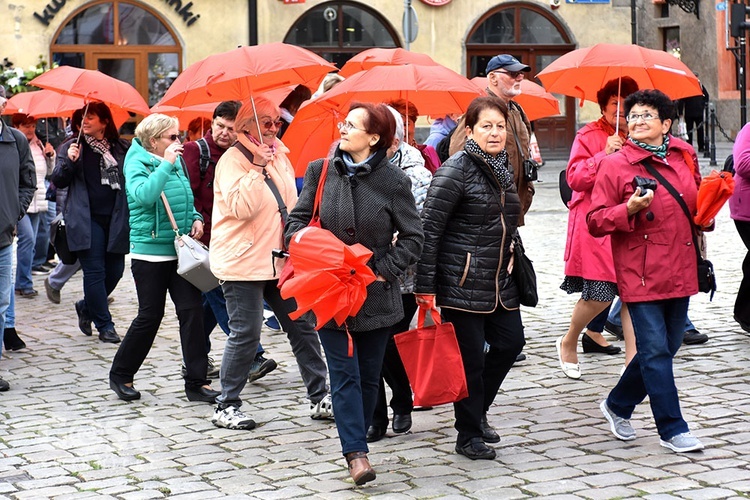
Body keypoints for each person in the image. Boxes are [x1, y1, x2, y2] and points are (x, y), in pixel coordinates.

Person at [285, 102, 423, 485]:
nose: (342, 130)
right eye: (343, 123)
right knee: (343, 374)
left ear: (374, 137)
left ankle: (357, 438)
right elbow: (295, 221)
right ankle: (356, 455)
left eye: (352, 126)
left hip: (375, 296)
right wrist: (307, 245)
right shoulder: (320, 170)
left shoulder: (393, 181)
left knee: (367, 376)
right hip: (327, 292)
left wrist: (381, 271)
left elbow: (414, 238)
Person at [588, 89, 705, 453]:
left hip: (681, 266)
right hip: (640, 271)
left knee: (667, 347)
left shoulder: (684, 155)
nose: (637, 121)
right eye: (633, 116)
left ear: (666, 123)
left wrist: (708, 211)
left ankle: (617, 404)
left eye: (646, 116)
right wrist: (629, 209)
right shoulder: (616, 164)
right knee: (654, 350)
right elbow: (595, 220)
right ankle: (672, 428)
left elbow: (694, 202)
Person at [209, 97, 332, 430]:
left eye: (277, 121)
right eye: (266, 122)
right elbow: (240, 208)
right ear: (246, 126)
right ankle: (226, 404)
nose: (274, 127)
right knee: (246, 333)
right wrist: (256, 167)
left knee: (302, 327)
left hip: (281, 260)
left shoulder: (280, 156)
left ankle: (320, 395)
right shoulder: (232, 161)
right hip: (242, 261)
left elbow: (291, 207)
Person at [416, 96, 526, 461]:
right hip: (460, 282)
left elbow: (509, 220)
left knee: (511, 343)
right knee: (470, 362)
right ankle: (468, 435)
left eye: (500, 126)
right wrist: (426, 288)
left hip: (499, 281)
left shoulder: (503, 167)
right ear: (470, 130)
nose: (495, 133)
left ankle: (477, 410)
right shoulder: (455, 169)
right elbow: (429, 230)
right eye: (486, 126)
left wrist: (512, 250)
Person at [109, 113, 219, 403]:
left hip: (180, 251)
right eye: (172, 137)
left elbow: (186, 194)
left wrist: (195, 217)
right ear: (153, 140)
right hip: (150, 252)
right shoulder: (136, 162)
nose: (179, 141)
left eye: (179, 135)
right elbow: (144, 196)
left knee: (192, 312)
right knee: (150, 315)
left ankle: (197, 382)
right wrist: (166, 163)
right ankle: (121, 374)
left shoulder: (176, 158)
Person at [183, 100, 277, 382]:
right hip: (204, 241)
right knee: (220, 298)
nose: (224, 133)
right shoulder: (195, 151)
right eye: (219, 126)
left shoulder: (244, 154)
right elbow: (186, 193)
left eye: (231, 128)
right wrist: (195, 217)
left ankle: (194, 359)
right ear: (211, 123)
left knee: (209, 306)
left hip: (234, 242)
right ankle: (253, 358)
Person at [555, 77, 638, 379]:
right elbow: (575, 178)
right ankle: (570, 338)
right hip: (596, 225)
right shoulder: (588, 135)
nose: (622, 110)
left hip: (629, 222)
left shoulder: (639, 134)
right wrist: (603, 154)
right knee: (600, 294)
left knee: (631, 294)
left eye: (628, 104)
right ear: (604, 107)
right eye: (616, 103)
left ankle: (632, 363)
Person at [367, 106, 432, 443]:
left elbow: (418, 228)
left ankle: (402, 399)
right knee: (367, 344)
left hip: (403, 276)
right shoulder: (349, 169)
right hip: (361, 273)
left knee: (389, 341)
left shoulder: (417, 175)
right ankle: (376, 416)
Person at [50, 102, 130, 344]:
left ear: (105, 121)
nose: (83, 123)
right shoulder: (71, 147)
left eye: (90, 118)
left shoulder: (121, 147)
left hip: (115, 219)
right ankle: (105, 325)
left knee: (115, 272)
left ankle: (86, 306)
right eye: (80, 120)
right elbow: (58, 182)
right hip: (85, 219)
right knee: (95, 272)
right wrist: (69, 162)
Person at [449, 54, 534, 226]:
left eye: (521, 74)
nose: (519, 77)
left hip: (512, 204)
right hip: (488, 208)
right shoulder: (480, 110)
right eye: (512, 73)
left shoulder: (517, 110)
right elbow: (457, 153)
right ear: (493, 78)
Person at [0, 85, 36, 391]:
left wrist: (14, 213)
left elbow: (28, 181)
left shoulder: (16, 139)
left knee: (0, 303)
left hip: (3, 237)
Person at [11, 114, 55, 299]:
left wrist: (50, 157)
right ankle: (24, 283)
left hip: (37, 200)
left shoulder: (38, 145)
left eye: (33, 126)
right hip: (19, 203)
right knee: (27, 239)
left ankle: (24, 281)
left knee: (35, 240)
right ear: (16, 126)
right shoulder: (13, 145)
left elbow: (49, 173)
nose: (30, 130)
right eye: (26, 126)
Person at [731, 121, 750, 334]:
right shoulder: (748, 129)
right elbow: (743, 164)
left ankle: (744, 312)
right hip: (746, 209)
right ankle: (744, 313)